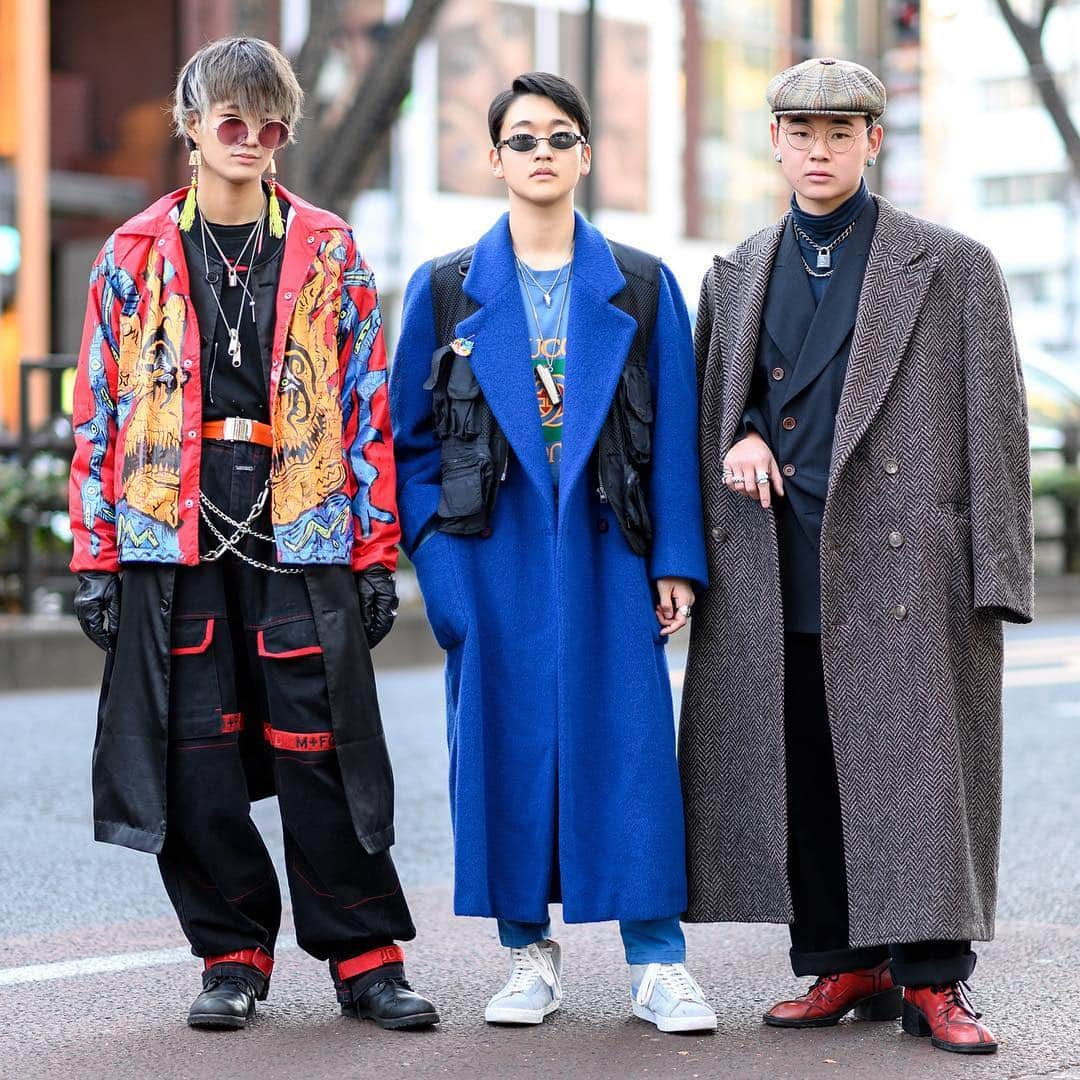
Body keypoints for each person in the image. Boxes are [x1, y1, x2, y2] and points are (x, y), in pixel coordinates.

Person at [69, 36, 437, 1032]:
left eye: (271, 126)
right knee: (195, 747)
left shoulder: (325, 245)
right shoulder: (134, 249)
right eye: (232, 122)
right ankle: (230, 954)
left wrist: (373, 552)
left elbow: (365, 403)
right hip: (168, 520)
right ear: (191, 126)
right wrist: (97, 555)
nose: (252, 142)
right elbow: (97, 410)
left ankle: (366, 956)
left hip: (300, 512)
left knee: (321, 740)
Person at [679, 57, 1032, 1056]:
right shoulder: (737, 270)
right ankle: (846, 962)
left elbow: (997, 424)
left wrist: (997, 576)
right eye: (802, 132)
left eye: (842, 132)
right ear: (777, 142)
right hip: (778, 562)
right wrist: (740, 430)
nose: (820, 150)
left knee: (920, 772)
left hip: (910, 567)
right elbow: (717, 410)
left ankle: (936, 980)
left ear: (875, 141)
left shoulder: (950, 264)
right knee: (809, 771)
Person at [390, 72, 715, 1033]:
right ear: (494, 159)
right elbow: (405, 443)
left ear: (583, 156)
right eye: (521, 138)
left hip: (614, 549)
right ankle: (526, 952)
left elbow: (683, 445)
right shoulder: (446, 288)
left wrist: (678, 564)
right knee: (503, 747)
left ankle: (658, 960)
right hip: (491, 555)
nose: (540, 152)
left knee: (633, 748)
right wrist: (442, 575)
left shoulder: (645, 286)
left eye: (559, 136)